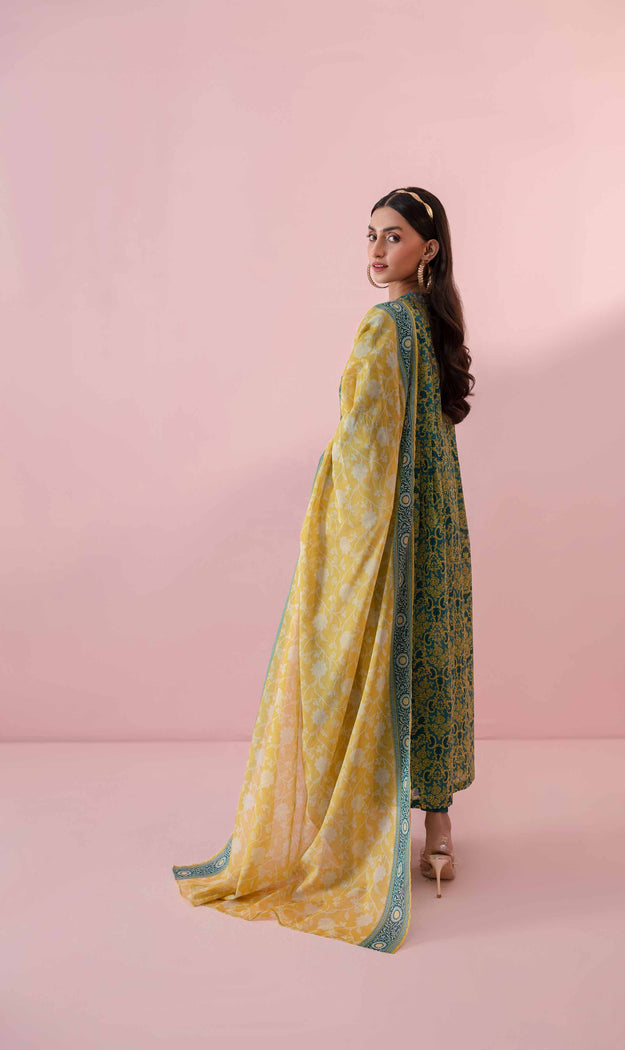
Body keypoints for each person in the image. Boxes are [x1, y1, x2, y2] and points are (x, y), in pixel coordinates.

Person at [172, 186, 475, 953]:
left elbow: (363, 438)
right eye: (371, 235)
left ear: (429, 248)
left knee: (356, 658)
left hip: (389, 518)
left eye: (393, 237)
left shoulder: (384, 325)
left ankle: (356, 828)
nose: (376, 250)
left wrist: (335, 521)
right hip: (437, 518)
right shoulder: (435, 327)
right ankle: (439, 831)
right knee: (430, 653)